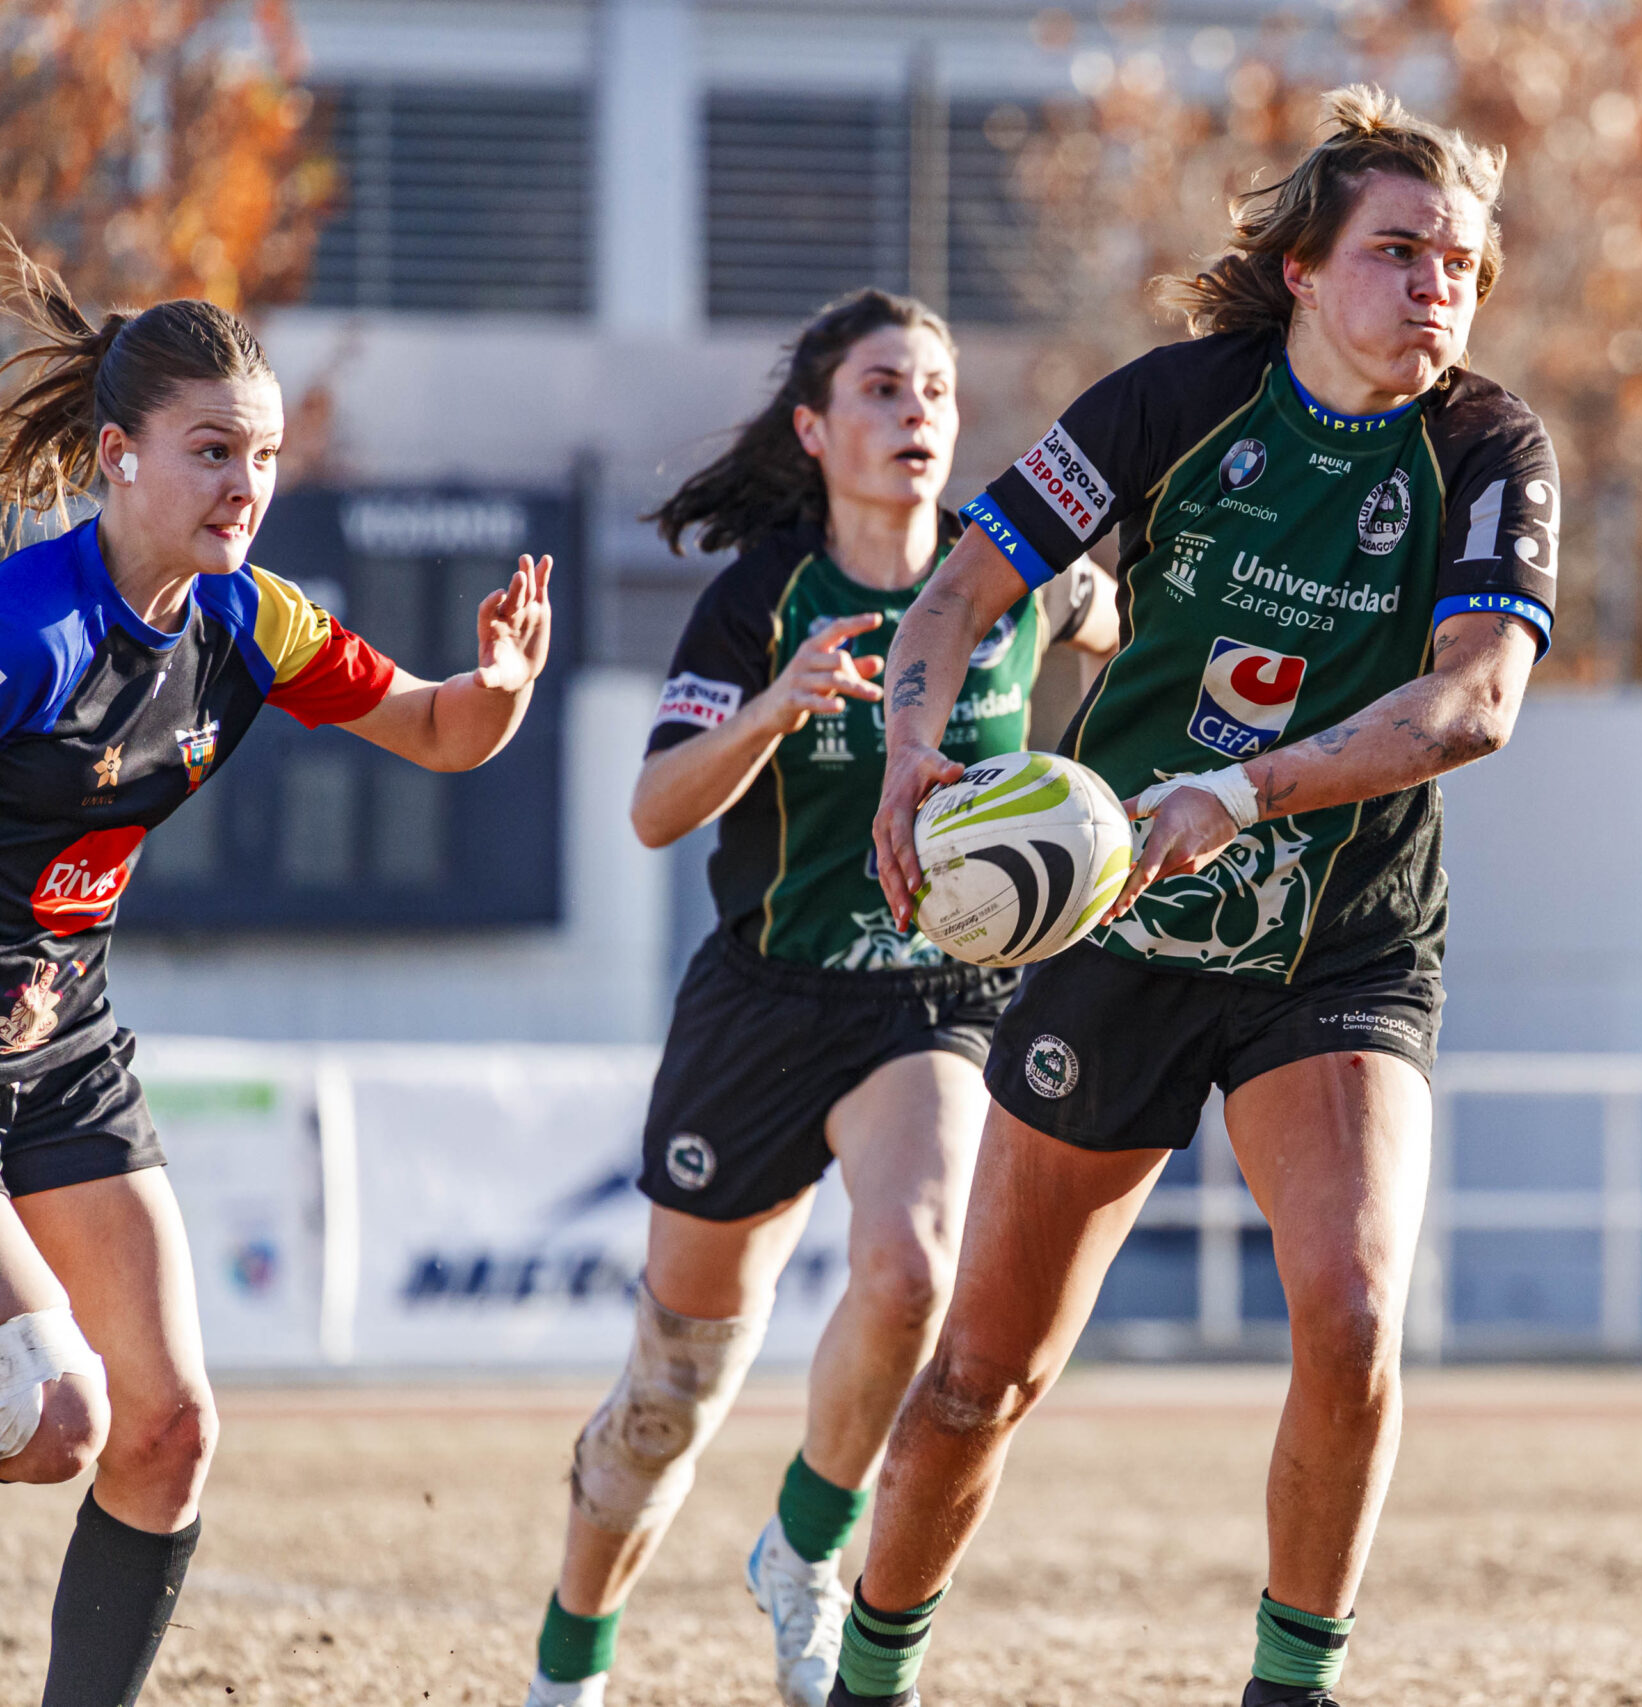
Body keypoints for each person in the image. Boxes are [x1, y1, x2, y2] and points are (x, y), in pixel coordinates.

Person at [842, 86, 1559, 1707]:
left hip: (1343, 939)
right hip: (1119, 932)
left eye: (1461, 261)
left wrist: (1234, 795)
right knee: (981, 1378)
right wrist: (911, 757)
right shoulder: (1178, 400)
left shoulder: (1488, 447)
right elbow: (960, 593)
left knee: (1355, 1318)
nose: (1437, 284)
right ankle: (870, 1676)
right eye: (1399, 250)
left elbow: (1476, 703)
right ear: (1304, 268)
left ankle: (1290, 1692)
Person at [519, 289, 1116, 1707]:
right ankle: (570, 1663)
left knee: (913, 1270)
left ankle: (804, 1548)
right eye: (883, 389)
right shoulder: (763, 602)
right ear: (814, 426)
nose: (917, 414)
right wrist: (773, 706)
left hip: (933, 1000)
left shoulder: (1014, 577)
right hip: (764, 1002)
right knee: (668, 1397)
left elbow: (1113, 631)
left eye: (936, 390)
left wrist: (1101, 715)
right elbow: (654, 811)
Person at [0, 241, 554, 1705]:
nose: (245, 484)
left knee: (168, 1432)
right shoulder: (26, 633)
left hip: (62, 1054)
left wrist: (498, 689)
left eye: (262, 454)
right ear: (117, 458)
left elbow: (435, 733)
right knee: (53, 1418)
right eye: (210, 452)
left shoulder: (249, 620)